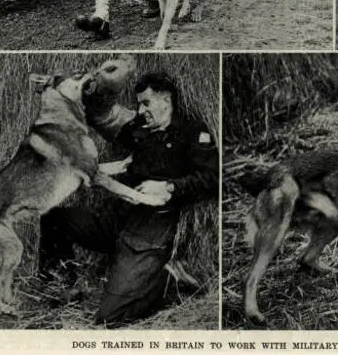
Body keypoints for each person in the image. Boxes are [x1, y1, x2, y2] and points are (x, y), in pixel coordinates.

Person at [38, 72, 218, 328]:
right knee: (53, 218)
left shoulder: (191, 132)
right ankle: (64, 287)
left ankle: (165, 282)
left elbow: (212, 177)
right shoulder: (139, 129)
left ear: (166, 101)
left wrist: (170, 187)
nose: (141, 110)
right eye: (138, 104)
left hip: (149, 231)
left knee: (109, 318)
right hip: (117, 218)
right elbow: (106, 117)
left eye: (146, 103)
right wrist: (68, 87)